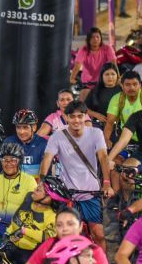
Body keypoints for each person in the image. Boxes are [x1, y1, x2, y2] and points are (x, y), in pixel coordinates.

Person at [39, 100, 113, 250]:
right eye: (72, 117)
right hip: (67, 193)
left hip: (91, 192)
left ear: (86, 117)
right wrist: (42, 181)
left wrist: (106, 182)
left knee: (98, 233)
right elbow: (47, 158)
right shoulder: (57, 136)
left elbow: (103, 157)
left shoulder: (96, 133)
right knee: (65, 234)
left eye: (80, 116)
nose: (76, 120)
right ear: (66, 118)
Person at [10, 206, 112, 264]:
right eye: (59, 225)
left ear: (80, 226)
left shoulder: (93, 251)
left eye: (70, 224)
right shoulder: (49, 245)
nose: (65, 229)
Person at [2, 177, 60, 264]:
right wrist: (7, 233)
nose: (34, 190)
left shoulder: (52, 216)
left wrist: (24, 231)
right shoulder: (28, 198)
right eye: (36, 187)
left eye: (38, 190)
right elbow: (16, 217)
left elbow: (48, 237)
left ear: (49, 198)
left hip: (29, 256)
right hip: (10, 245)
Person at [0, 108, 48, 178]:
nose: (21, 132)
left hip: (36, 187)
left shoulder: (44, 144)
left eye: (25, 127)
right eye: (18, 127)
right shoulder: (9, 142)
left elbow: (48, 174)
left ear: (34, 127)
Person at [70, 27, 115, 99]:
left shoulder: (107, 48)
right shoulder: (83, 50)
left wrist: (117, 77)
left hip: (102, 82)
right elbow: (77, 66)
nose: (95, 39)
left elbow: (113, 64)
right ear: (88, 39)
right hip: (87, 83)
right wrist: (72, 78)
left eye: (97, 37)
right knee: (82, 103)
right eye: (93, 37)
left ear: (101, 38)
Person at [104, 71, 142, 148]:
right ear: (122, 86)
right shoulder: (117, 99)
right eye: (128, 85)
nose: (131, 87)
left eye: (135, 84)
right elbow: (110, 122)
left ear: (140, 85)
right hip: (127, 139)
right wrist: (105, 139)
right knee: (117, 159)